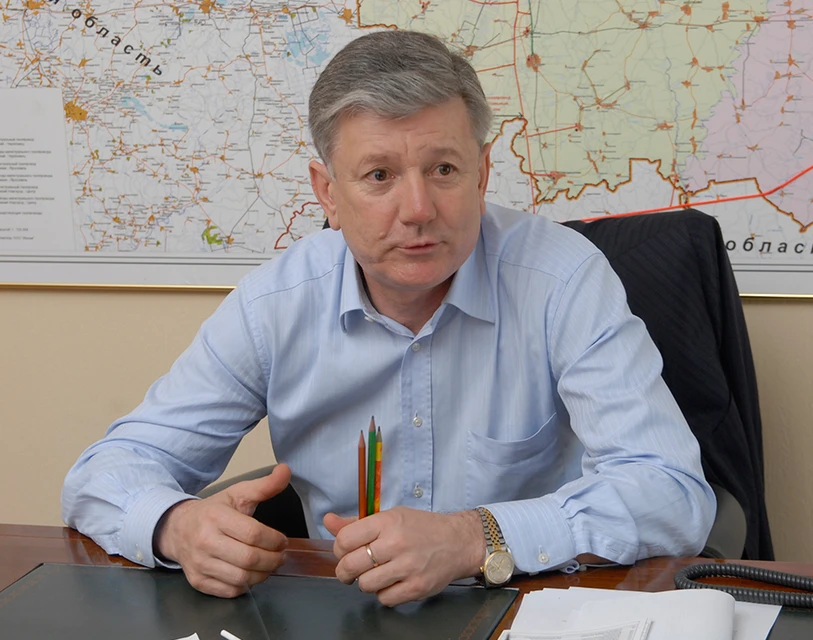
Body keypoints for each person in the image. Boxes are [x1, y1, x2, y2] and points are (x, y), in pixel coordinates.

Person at [62, 30, 716, 607]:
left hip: (530, 604)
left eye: (444, 169)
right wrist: (176, 526)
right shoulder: (277, 304)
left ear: (482, 173)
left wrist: (475, 537)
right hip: (348, 615)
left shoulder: (563, 281)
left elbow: (671, 494)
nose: (418, 209)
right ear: (328, 193)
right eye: (379, 175)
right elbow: (104, 472)